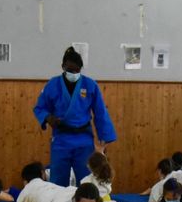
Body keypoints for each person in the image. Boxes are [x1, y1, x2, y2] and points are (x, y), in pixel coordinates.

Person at [33, 46, 118, 186]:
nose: (74, 73)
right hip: (61, 138)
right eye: (70, 70)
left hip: (83, 139)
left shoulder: (90, 85)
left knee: (87, 180)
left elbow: (100, 111)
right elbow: (39, 107)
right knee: (58, 181)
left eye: (77, 70)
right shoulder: (53, 85)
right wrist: (48, 118)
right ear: (63, 66)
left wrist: (104, 138)